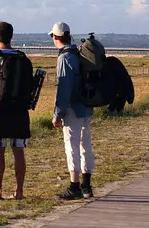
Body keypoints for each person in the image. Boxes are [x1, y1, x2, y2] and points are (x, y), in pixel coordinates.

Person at [0, 21, 32, 200]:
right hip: (19, 109)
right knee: (18, 150)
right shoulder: (23, 58)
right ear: (12, 37)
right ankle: (19, 191)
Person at [49, 22, 95, 200]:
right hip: (86, 106)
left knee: (72, 146)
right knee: (86, 145)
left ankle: (74, 186)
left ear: (55, 37)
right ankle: (86, 185)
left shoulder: (64, 58)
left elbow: (64, 90)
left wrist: (57, 114)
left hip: (72, 109)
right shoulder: (78, 53)